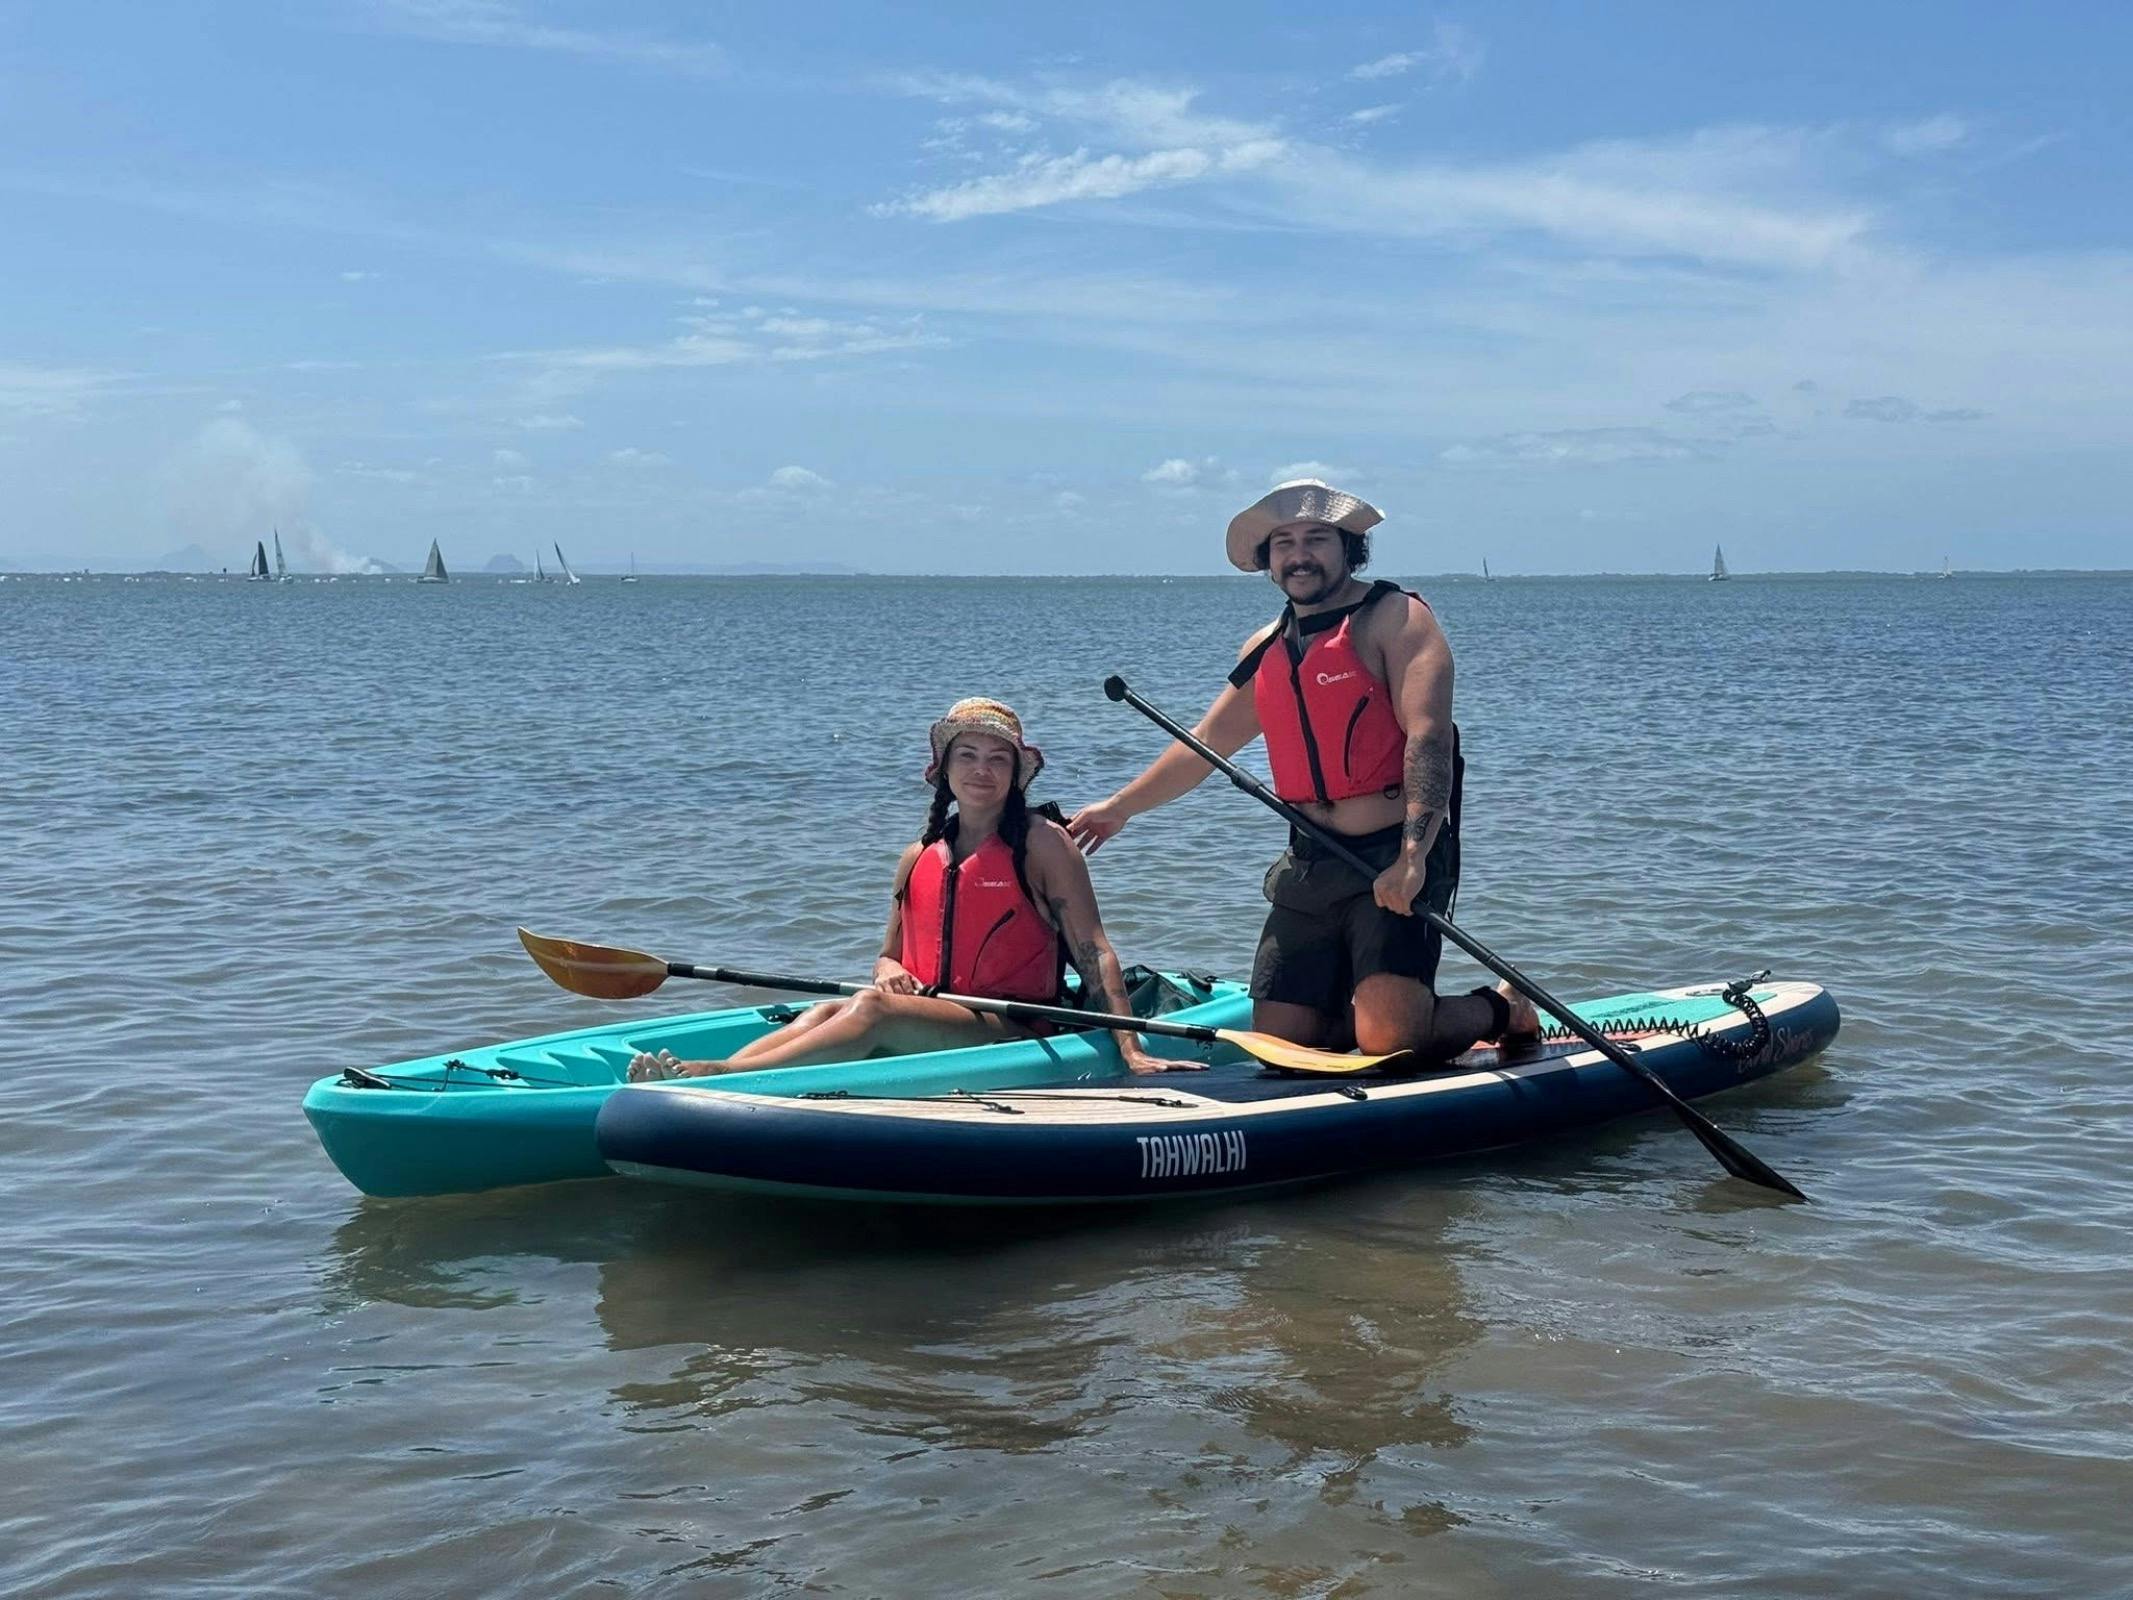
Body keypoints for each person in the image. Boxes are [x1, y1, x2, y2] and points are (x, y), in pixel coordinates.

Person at [1067, 479, 1536, 1064]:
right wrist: (1119, 808)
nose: (1299, 554)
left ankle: (1503, 1007)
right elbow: (1206, 744)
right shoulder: (1267, 647)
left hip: (1394, 850)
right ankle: (1368, 1010)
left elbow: (1430, 740)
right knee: (1279, 1049)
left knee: (1391, 1045)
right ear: (1267, 560)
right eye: (1283, 542)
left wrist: (1413, 857)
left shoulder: (1396, 618)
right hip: (1312, 857)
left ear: (1347, 548)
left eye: (1316, 538)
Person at [629, 697, 1193, 1080]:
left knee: (871, 1009)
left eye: (998, 759)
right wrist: (886, 971)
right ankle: (721, 1070)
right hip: (935, 1015)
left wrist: (1130, 1048)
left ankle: (726, 1077)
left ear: (1016, 774)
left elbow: (1093, 949)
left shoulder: (1043, 844)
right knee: (834, 1009)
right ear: (944, 770)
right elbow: (886, 957)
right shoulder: (921, 855)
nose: (982, 770)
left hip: (1013, 1026)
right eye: (967, 756)